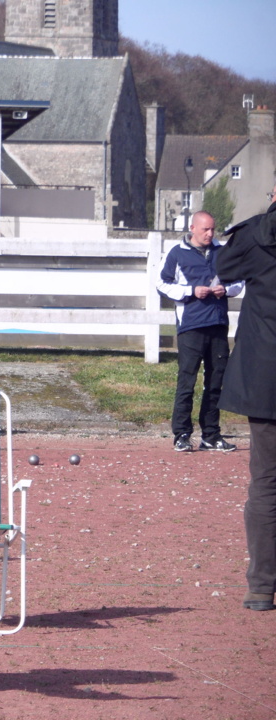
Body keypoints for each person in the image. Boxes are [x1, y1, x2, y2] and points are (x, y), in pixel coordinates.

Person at [217, 182, 276, 612]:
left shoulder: (256, 235)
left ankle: (261, 585)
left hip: (266, 379)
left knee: (266, 483)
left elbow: (224, 267)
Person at [156, 210, 243, 452]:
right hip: (191, 326)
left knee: (216, 382)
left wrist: (225, 290)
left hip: (217, 324)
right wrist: (191, 291)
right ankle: (182, 434)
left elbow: (239, 281)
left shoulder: (222, 252)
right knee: (187, 381)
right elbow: (162, 284)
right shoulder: (176, 253)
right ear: (192, 228)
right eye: (205, 229)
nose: (210, 233)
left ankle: (211, 435)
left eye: (213, 229)